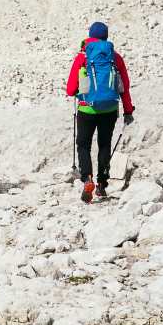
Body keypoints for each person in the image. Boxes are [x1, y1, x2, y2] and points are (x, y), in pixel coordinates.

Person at [66, 21, 133, 203]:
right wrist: (128, 110)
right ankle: (102, 185)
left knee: (83, 144)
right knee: (104, 144)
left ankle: (87, 178)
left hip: (87, 108)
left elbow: (70, 89)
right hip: (110, 109)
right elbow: (124, 87)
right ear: (106, 36)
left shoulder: (83, 57)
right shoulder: (115, 58)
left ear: (90, 36)